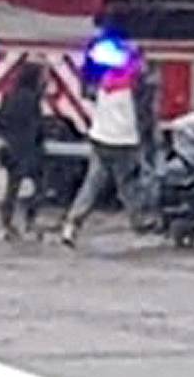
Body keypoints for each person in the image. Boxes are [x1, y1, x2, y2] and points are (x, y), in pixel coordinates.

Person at [59, 50, 145, 248]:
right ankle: (140, 222)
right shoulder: (131, 88)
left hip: (101, 139)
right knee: (127, 185)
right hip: (123, 142)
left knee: (92, 184)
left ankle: (72, 223)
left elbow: (90, 85)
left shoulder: (105, 83)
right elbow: (141, 85)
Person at [0, 62, 52, 240]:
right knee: (40, 188)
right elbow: (37, 126)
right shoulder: (33, 99)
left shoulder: (9, 96)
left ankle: (6, 225)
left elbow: (1, 120)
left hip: (11, 150)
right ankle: (29, 222)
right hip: (28, 151)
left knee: (11, 189)